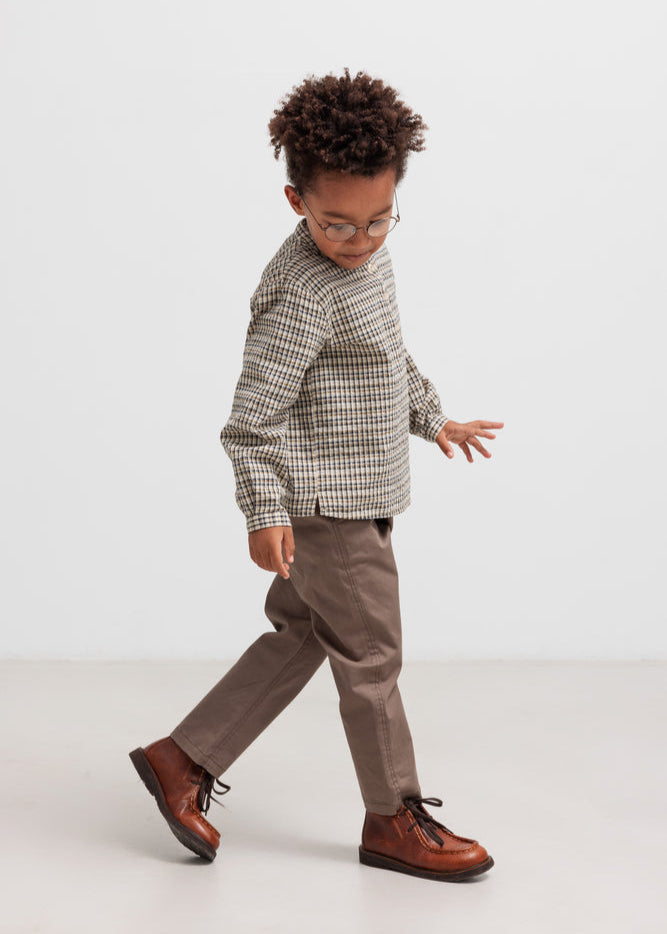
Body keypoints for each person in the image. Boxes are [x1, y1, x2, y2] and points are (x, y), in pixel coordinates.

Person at [129, 67, 503, 883]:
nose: (360, 239)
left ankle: (181, 758)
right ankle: (392, 818)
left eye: (379, 219)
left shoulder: (368, 263)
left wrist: (433, 417)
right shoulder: (299, 294)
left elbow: (384, 356)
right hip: (328, 508)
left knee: (301, 636)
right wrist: (263, 511)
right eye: (337, 224)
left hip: (364, 488)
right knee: (371, 659)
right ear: (294, 200)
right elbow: (251, 419)